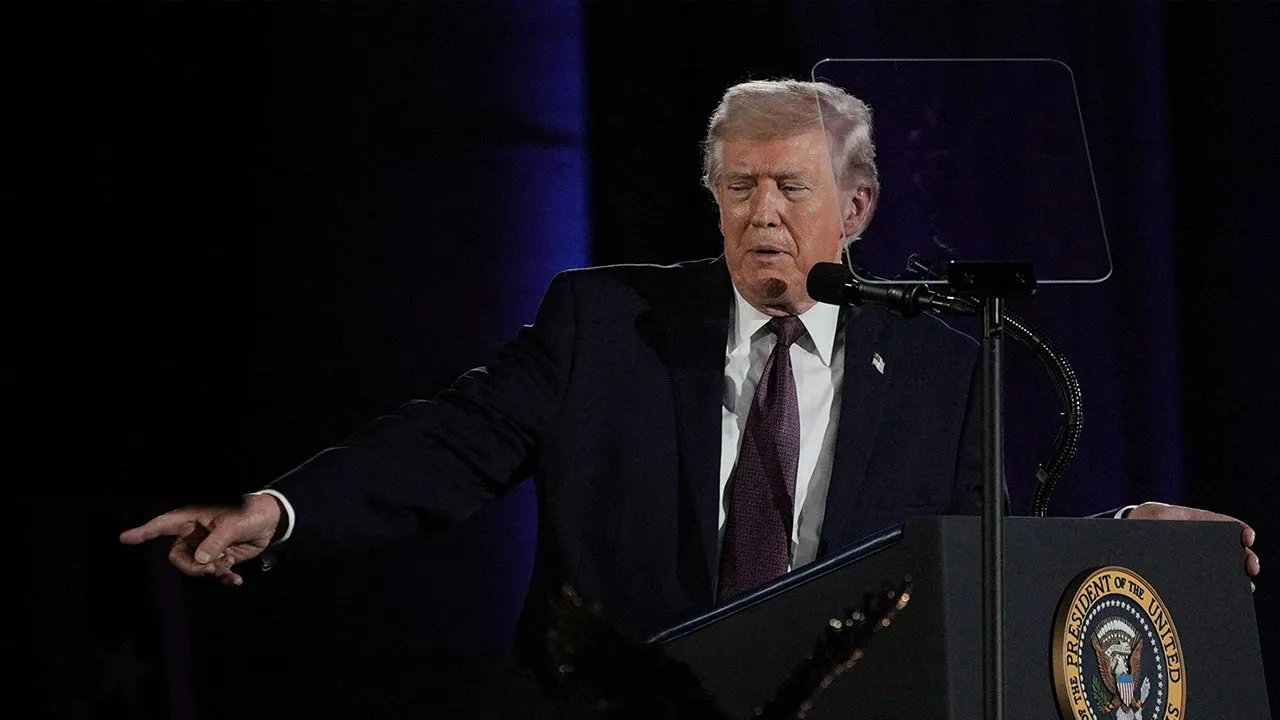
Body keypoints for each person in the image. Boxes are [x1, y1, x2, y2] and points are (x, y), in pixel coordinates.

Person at [120, 79, 1260, 716]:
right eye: (738, 186)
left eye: (790, 187)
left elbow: (977, 557)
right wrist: (276, 513)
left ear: (853, 210)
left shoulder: (938, 360)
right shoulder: (601, 324)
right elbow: (445, 443)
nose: (762, 213)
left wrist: (1121, 545)